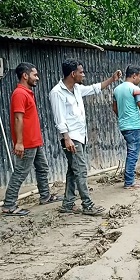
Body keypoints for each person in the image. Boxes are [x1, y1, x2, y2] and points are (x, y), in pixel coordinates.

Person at [49, 59, 121, 215]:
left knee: (73, 170)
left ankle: (68, 204)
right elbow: (59, 119)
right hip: (71, 138)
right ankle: (87, 205)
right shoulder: (57, 93)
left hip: (79, 137)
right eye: (81, 72)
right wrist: (67, 138)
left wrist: (112, 79)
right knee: (80, 170)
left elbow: (94, 88)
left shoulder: (76, 89)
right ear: (73, 74)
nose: (84, 75)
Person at [2, 63, 62, 216]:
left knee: (42, 168)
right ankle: (9, 205)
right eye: (35, 75)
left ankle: (45, 196)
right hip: (27, 143)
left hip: (34, 141)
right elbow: (18, 119)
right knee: (21, 172)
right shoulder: (19, 94)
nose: (37, 78)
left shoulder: (26, 93)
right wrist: (20, 143)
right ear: (25, 75)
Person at [113, 66, 140, 190]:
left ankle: (129, 180)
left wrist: (123, 117)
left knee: (131, 152)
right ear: (134, 76)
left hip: (124, 126)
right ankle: (129, 182)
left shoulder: (116, 89)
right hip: (134, 126)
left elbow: (115, 108)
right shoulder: (135, 89)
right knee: (133, 154)